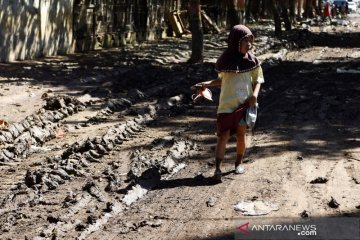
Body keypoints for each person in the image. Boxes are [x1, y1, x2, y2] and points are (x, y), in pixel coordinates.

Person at [192, 25, 264, 182]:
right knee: (223, 136)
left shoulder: (253, 61)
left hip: (244, 104)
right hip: (226, 105)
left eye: (251, 41)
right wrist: (206, 84)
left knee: (240, 134)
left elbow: (258, 80)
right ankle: (217, 169)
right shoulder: (225, 60)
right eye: (246, 41)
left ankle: (238, 163)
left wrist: (255, 96)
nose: (249, 45)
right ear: (235, 42)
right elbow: (222, 80)